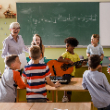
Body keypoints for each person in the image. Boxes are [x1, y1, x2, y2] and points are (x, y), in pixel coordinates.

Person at [57, 37, 86, 102]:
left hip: (72, 74)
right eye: (66, 45)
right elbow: (59, 59)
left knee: (70, 89)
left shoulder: (76, 56)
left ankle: (69, 101)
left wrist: (81, 64)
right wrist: (68, 61)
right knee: (66, 85)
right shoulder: (66, 53)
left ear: (73, 46)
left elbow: (78, 66)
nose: (66, 47)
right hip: (65, 73)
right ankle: (64, 97)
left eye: (68, 46)